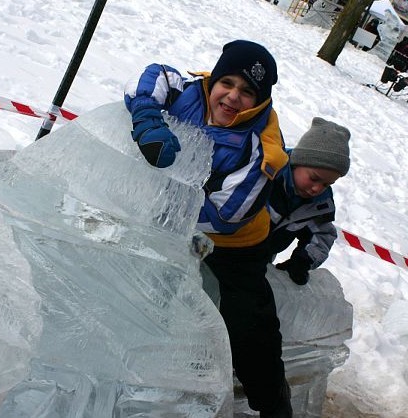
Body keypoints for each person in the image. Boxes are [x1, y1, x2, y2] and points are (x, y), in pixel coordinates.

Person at [124, 40, 292, 417]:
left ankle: (272, 404)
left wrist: (160, 193)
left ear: (261, 101)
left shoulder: (263, 149)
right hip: (168, 222)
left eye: (247, 92)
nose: (232, 97)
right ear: (213, 79)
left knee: (249, 328)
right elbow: (152, 77)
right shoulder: (192, 90)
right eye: (227, 82)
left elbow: (225, 216)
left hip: (235, 245)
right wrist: (147, 119)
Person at [268, 117, 351, 285]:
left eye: (327, 184)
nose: (317, 189)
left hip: (260, 259)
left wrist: (303, 260)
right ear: (297, 162)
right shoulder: (267, 173)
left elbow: (323, 235)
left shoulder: (319, 205)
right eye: (314, 178)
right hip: (224, 244)